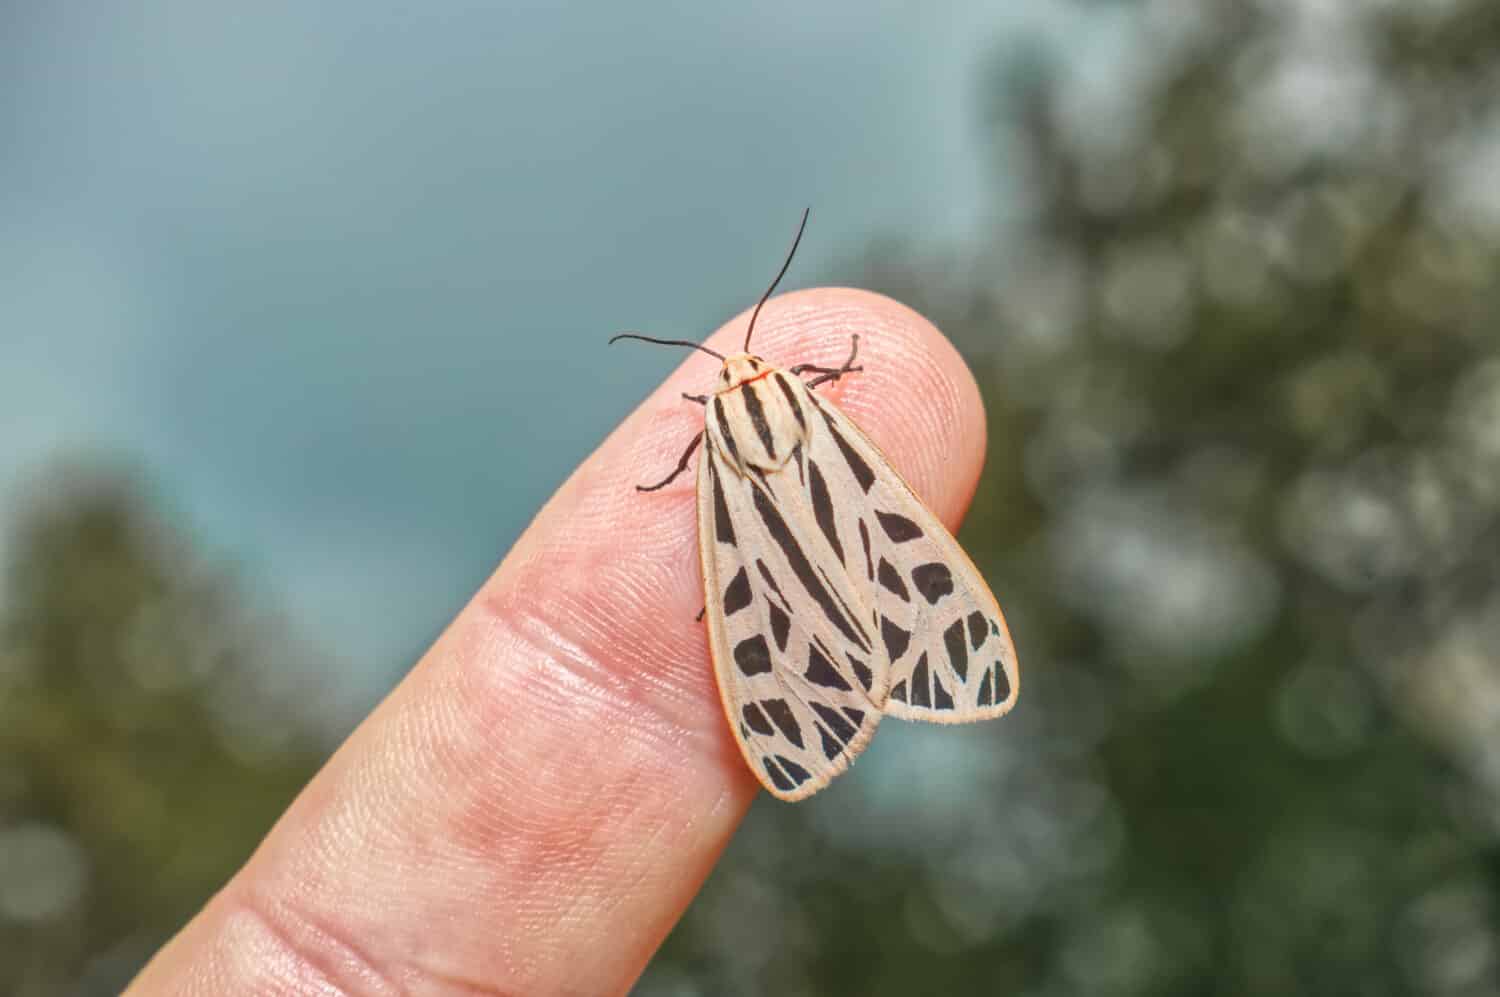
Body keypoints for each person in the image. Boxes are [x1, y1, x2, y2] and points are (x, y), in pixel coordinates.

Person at [126, 289, 989, 995]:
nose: (745, 370)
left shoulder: (716, 430)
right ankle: (903, 652)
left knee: (763, 581)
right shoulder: (800, 401)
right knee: (885, 539)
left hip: (756, 542)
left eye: (751, 368)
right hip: (840, 496)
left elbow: (695, 482)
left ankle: (841, 681)